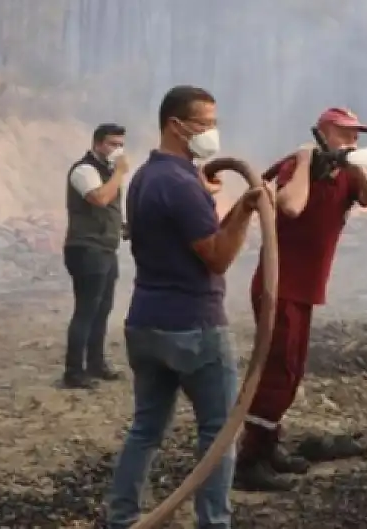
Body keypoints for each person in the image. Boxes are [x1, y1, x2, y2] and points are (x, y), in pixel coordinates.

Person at [106, 86, 268, 529]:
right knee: (219, 432)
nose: (212, 133)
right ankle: (213, 523)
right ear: (176, 125)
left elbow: (178, 225)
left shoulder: (146, 177)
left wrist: (205, 191)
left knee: (146, 430)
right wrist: (244, 211)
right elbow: (216, 255)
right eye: (205, 124)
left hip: (145, 323)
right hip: (193, 327)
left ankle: (120, 518)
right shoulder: (180, 185)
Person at [235, 106, 367, 491]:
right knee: (276, 374)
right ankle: (249, 462)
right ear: (323, 131)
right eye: (345, 133)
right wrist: (305, 159)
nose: (353, 140)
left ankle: (268, 448)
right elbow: (290, 205)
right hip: (277, 287)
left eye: (357, 135)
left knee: (290, 371)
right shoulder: (295, 167)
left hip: (304, 289)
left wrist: (357, 165)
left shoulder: (348, 175)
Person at [63, 122, 129, 389]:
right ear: (97, 144)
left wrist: (123, 228)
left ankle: (96, 363)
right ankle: (74, 372)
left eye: (121, 145)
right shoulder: (84, 170)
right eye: (113, 144)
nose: (118, 150)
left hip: (105, 248)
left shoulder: (108, 173)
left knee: (102, 309)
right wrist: (120, 173)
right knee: (86, 310)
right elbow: (99, 199)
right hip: (86, 248)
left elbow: (109, 210)